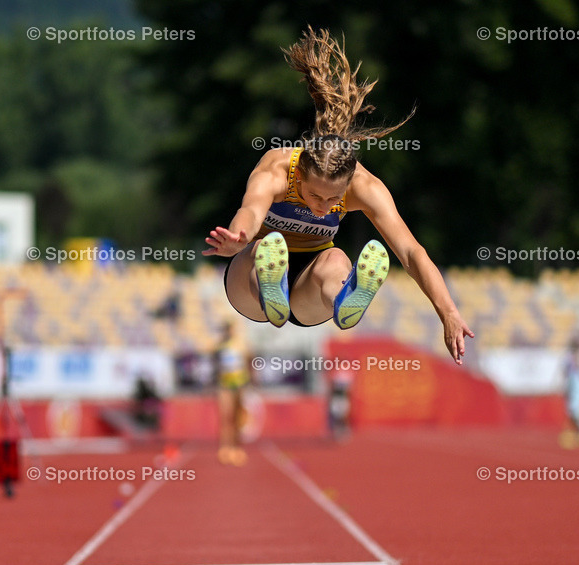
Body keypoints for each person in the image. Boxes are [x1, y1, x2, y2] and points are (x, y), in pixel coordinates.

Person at [202, 27, 473, 363]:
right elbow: (251, 212)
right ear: (299, 174)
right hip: (247, 282)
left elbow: (411, 252)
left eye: (334, 200)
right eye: (315, 196)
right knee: (264, 248)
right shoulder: (277, 167)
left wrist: (447, 312)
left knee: (338, 261)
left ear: (347, 185)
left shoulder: (365, 186)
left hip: (308, 290)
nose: (322, 208)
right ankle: (271, 292)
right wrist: (237, 238)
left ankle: (344, 299)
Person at [214, 321, 250, 466]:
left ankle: (236, 448)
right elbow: (216, 364)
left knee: (237, 418)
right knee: (226, 417)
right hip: (225, 385)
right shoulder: (221, 346)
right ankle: (225, 448)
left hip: (239, 384)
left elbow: (248, 361)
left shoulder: (241, 345)